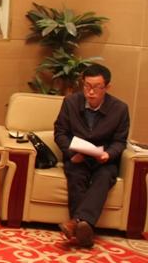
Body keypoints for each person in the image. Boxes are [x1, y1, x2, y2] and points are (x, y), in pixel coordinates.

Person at [54, 63, 129, 248]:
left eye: (97, 87)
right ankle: (84, 230)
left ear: (107, 87)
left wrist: (108, 155)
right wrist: (71, 153)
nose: (91, 92)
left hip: (103, 160)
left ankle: (76, 223)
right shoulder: (71, 102)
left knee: (103, 177)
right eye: (87, 86)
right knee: (76, 176)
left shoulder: (119, 109)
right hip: (77, 157)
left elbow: (120, 141)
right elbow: (60, 133)